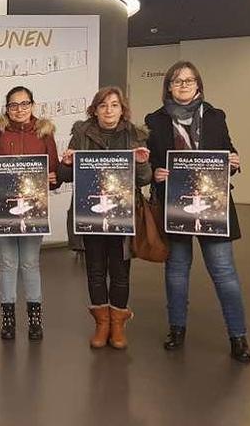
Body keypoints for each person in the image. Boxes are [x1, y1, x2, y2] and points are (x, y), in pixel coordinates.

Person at [145, 61, 250, 363]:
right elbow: (149, 162)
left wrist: (234, 161)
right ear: (168, 86)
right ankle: (176, 329)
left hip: (213, 205)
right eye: (177, 81)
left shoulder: (216, 116)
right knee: (177, 271)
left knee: (224, 272)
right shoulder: (155, 120)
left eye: (189, 81)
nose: (183, 85)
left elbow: (229, 150)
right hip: (175, 204)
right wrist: (155, 172)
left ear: (198, 85)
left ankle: (238, 335)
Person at [58, 87, 152, 349]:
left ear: (122, 109)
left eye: (114, 105)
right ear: (95, 109)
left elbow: (144, 178)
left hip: (122, 215)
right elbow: (64, 176)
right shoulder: (81, 133)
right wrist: (66, 163)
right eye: (103, 105)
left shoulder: (135, 134)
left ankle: (118, 324)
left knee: (120, 271)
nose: (109, 110)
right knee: (95, 270)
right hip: (91, 213)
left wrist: (142, 163)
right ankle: (101, 324)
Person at [0, 86, 60, 341]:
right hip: (1, 212)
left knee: (31, 263)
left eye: (24, 104)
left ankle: (35, 319)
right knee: (8, 263)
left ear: (32, 105)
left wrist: (54, 178)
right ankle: (8, 319)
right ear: (7, 108)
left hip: (33, 212)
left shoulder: (45, 133)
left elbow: (53, 173)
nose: (19, 110)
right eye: (13, 105)